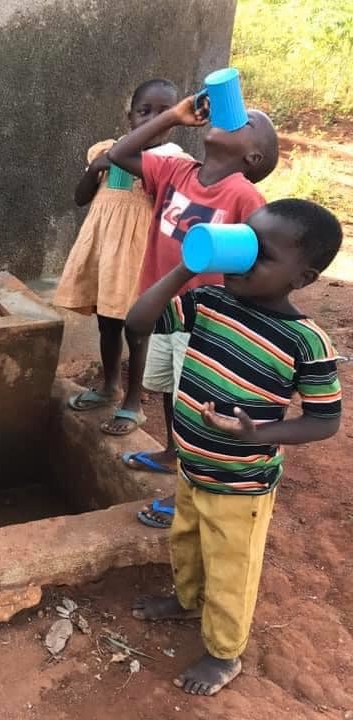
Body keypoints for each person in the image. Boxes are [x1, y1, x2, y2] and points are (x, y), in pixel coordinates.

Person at [128, 199, 343, 697]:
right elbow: (139, 324)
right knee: (186, 542)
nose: (242, 261)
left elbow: (324, 421)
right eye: (242, 244)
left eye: (259, 255)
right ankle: (186, 601)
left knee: (231, 567)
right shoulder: (208, 302)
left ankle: (224, 654)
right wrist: (186, 265)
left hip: (242, 481)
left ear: (303, 277)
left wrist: (259, 435)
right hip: (192, 465)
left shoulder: (307, 342)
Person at [102, 93, 278, 529]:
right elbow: (119, 154)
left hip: (205, 322)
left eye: (246, 122)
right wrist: (173, 117)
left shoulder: (244, 196)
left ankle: (188, 491)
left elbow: (259, 262)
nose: (234, 118)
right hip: (163, 307)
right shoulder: (176, 170)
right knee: (168, 389)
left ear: (252, 156)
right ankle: (172, 452)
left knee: (198, 403)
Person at [56, 79, 188, 413]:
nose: (151, 120)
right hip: (104, 250)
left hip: (138, 255)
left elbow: (171, 208)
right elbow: (79, 198)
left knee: (137, 327)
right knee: (107, 322)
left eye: (164, 113)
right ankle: (109, 387)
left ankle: (133, 401)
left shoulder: (172, 162)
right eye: (144, 112)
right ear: (129, 115)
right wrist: (95, 168)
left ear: (174, 122)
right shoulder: (105, 151)